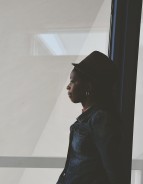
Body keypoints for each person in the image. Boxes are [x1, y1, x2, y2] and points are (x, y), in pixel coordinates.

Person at [56, 51, 123, 184]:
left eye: (73, 81)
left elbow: (112, 169)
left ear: (88, 86)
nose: (68, 87)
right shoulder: (88, 117)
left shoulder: (100, 119)